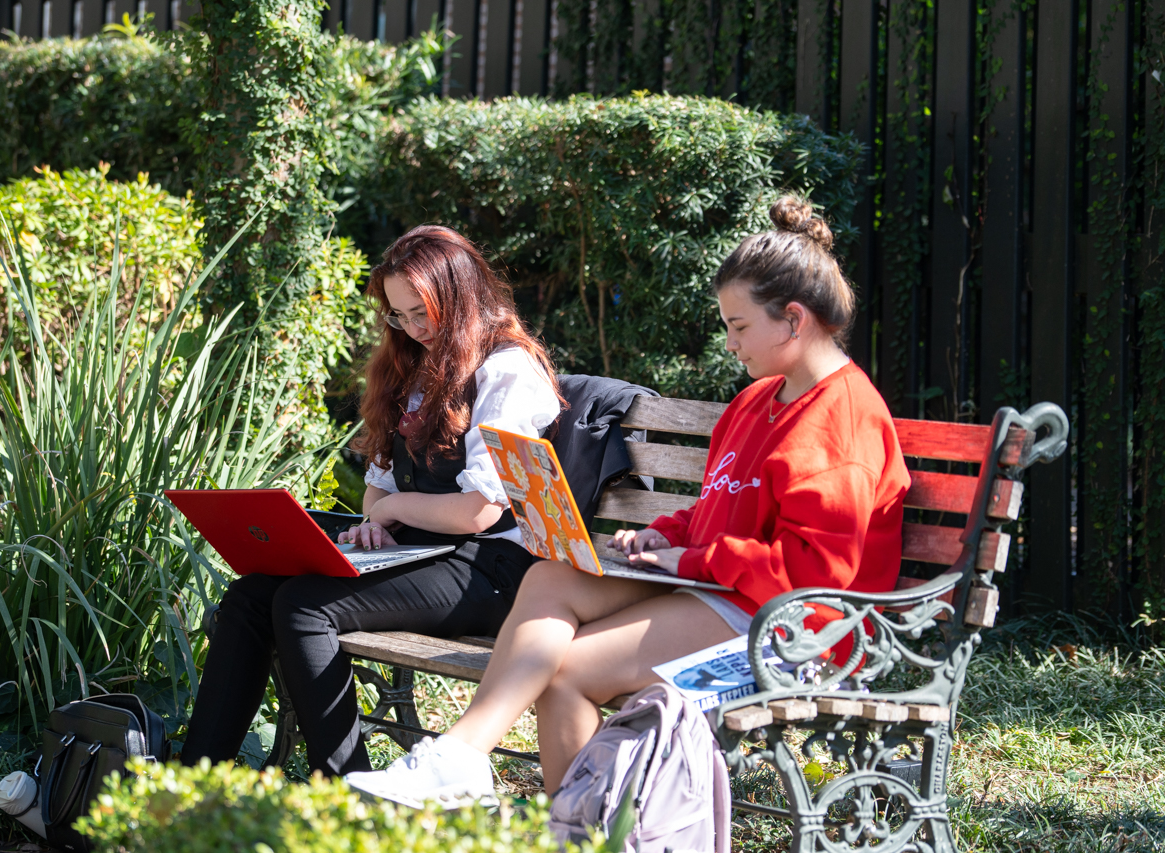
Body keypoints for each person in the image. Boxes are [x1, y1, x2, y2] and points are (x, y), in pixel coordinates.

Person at [344, 197, 912, 808]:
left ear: (794, 319)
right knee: (550, 578)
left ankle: (569, 830)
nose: (729, 344)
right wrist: (665, 536)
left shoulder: (843, 421)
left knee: (568, 672)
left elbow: (816, 576)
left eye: (738, 327)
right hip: (726, 589)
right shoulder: (757, 403)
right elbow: (720, 506)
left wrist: (690, 563)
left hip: (798, 627)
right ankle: (464, 758)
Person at [180, 225, 563, 777]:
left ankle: (347, 797)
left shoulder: (507, 371)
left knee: (305, 607)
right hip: (422, 552)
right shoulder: (414, 368)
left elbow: (480, 512)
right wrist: (375, 522)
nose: (412, 327)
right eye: (398, 315)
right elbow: (380, 484)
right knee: (251, 595)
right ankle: (193, 783)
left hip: (494, 568)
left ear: (457, 296)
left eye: (421, 311)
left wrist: (391, 512)